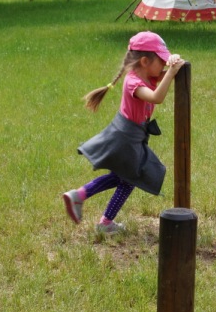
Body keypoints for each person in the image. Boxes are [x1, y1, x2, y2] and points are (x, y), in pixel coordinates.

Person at [62, 31, 185, 235]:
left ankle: (83, 198)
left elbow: (166, 74)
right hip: (126, 137)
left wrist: (174, 61)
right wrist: (171, 72)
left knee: (124, 177)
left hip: (131, 136)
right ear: (144, 61)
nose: (164, 65)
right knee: (130, 178)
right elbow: (156, 97)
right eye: (161, 61)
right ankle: (99, 216)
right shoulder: (133, 82)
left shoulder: (147, 75)